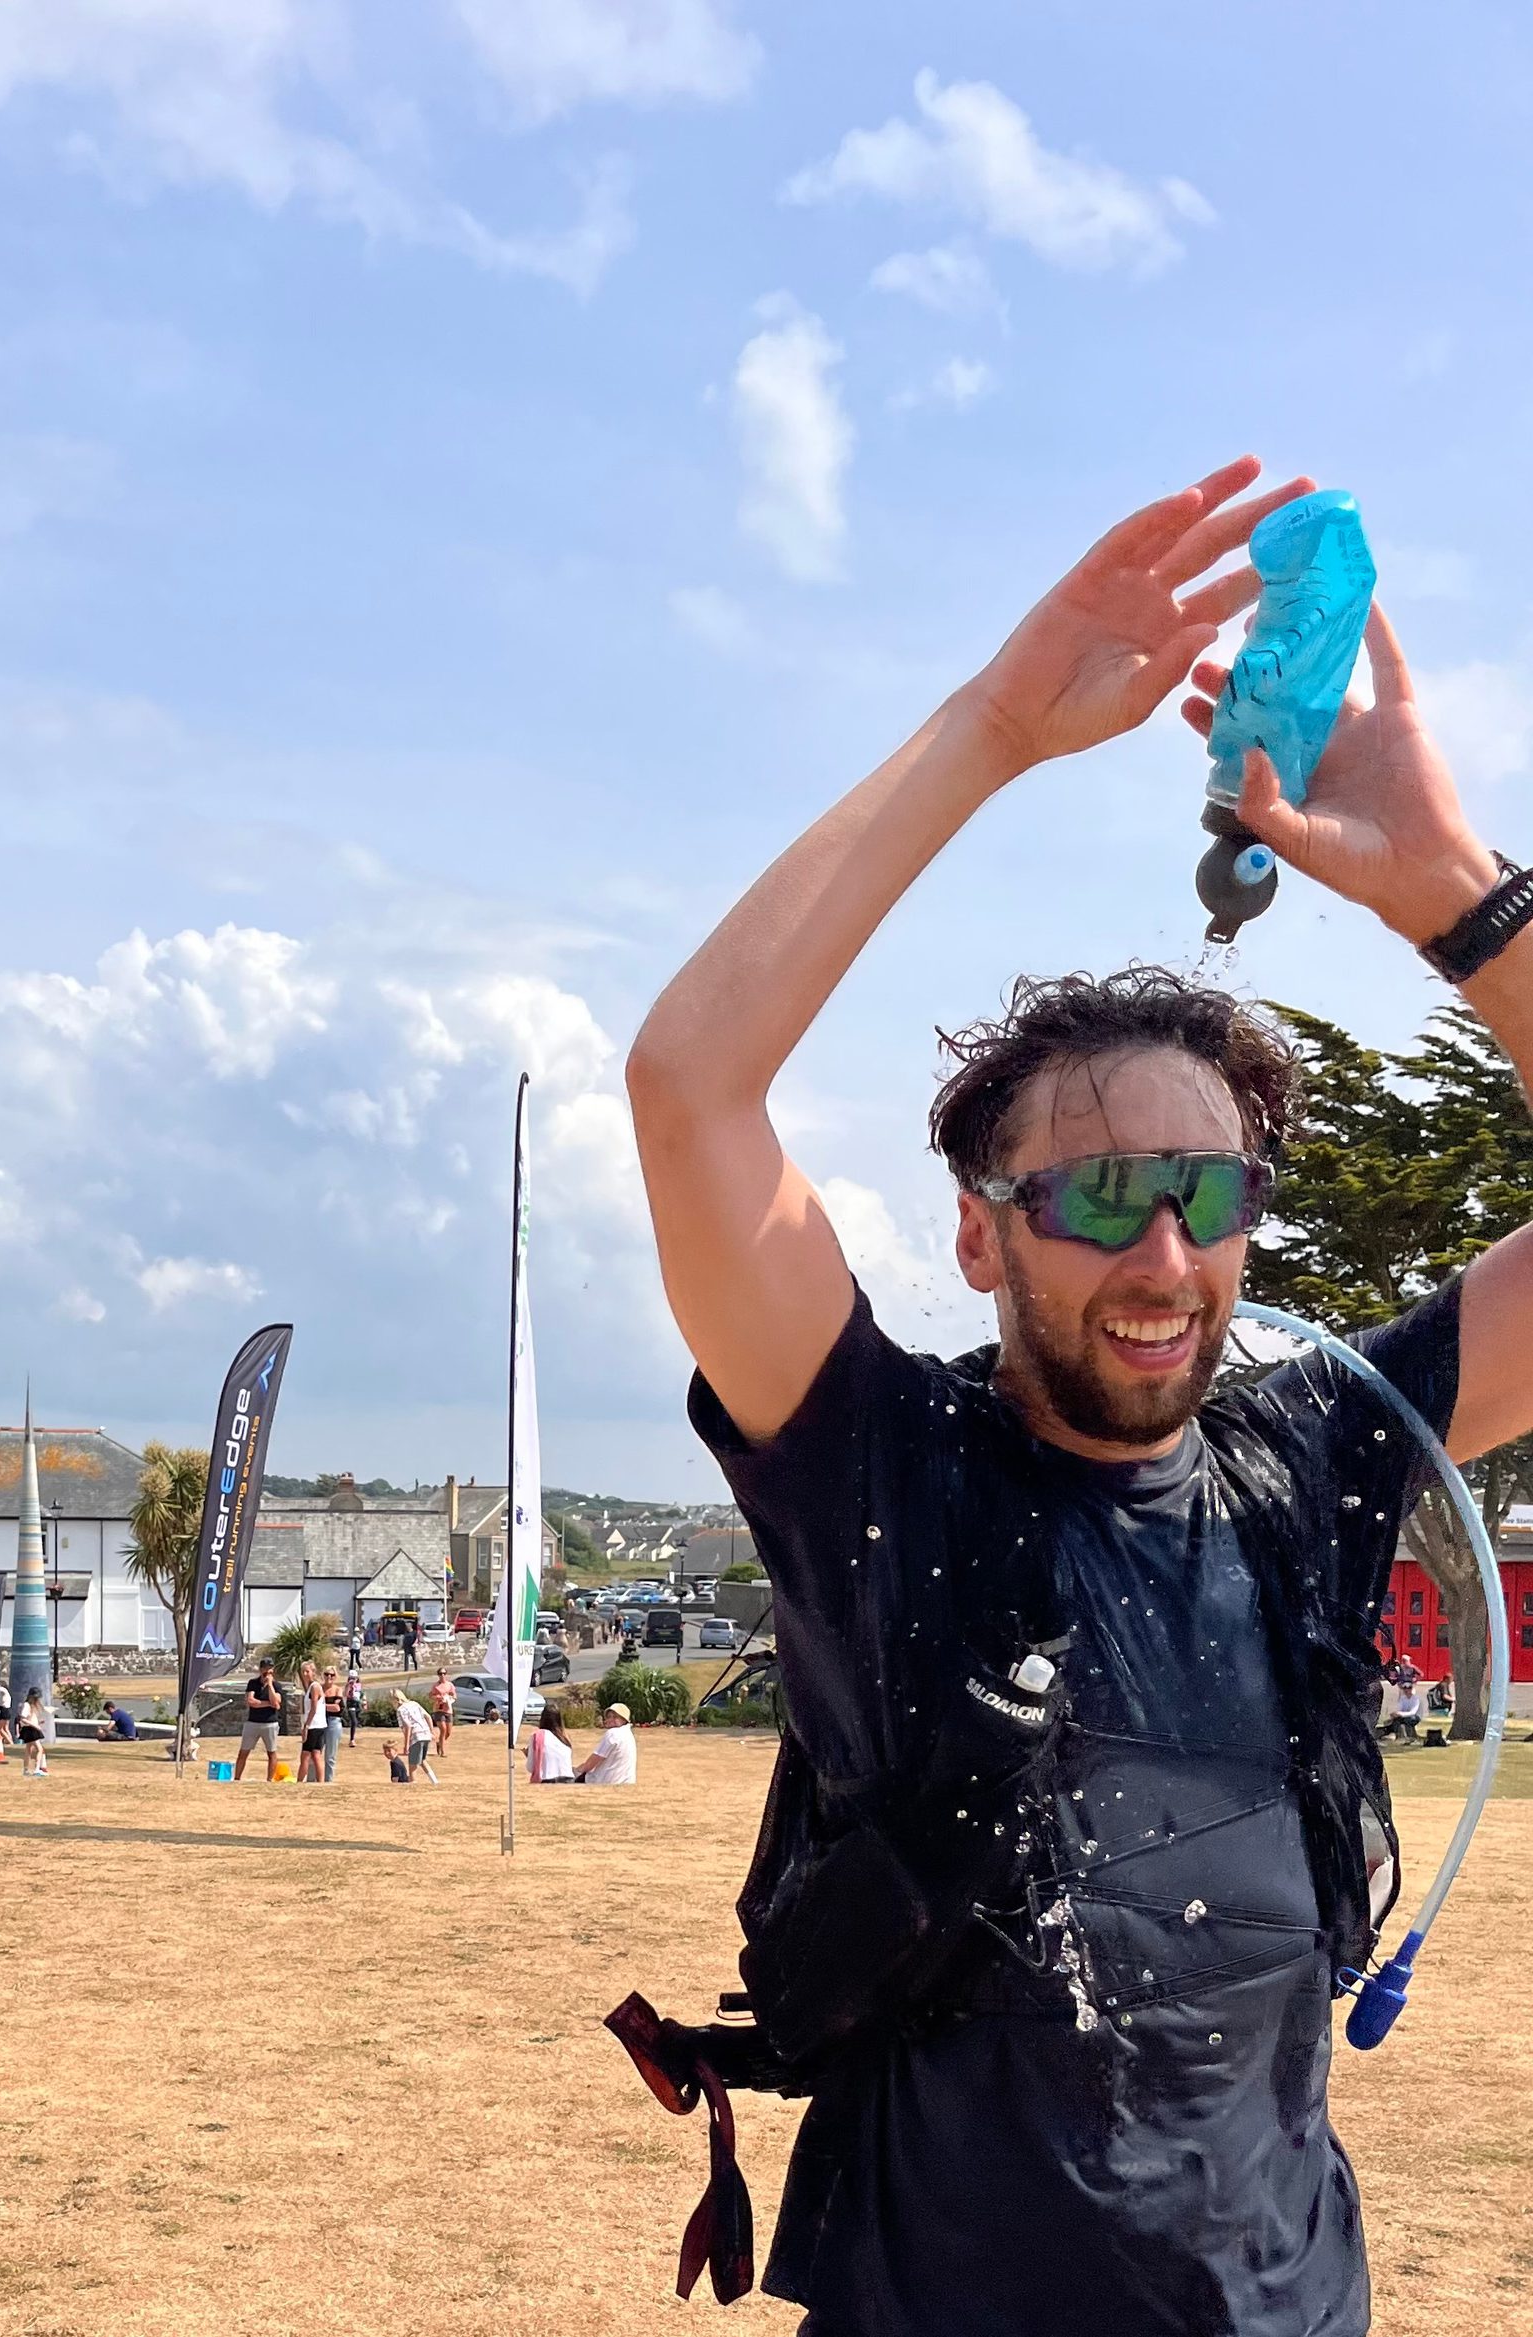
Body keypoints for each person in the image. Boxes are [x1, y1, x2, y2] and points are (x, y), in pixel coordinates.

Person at [622, 454, 1533, 2335]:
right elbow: (692, 1088)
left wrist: (1455, 889)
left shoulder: (1322, 1461)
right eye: (1105, 1192)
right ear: (984, 1236)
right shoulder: (888, 1468)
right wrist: (993, 729)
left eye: (1212, 1193)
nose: (1165, 1253)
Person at [234, 1659, 281, 1781]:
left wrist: (270, 1685)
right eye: (265, 1668)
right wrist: (268, 1703)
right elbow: (250, 1701)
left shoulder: (276, 1686)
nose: (267, 1671)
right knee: (244, 1751)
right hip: (253, 1722)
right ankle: (237, 1778)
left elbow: (276, 1702)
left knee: (271, 1752)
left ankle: (269, 1779)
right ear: (261, 1670)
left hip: (270, 1723)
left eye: (269, 1668)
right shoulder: (253, 1683)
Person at [574, 1702, 636, 1786]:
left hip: (607, 1781)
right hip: (626, 1781)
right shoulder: (628, 1734)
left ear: (624, 1719)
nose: (610, 1719)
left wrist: (580, 1770)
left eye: (615, 1717)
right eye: (609, 1717)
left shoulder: (613, 1733)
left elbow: (595, 1759)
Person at [394, 1691, 438, 1783]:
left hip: (416, 1736)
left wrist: (406, 1745)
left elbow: (408, 1727)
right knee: (422, 1760)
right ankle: (434, 1781)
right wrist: (431, 1732)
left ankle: (413, 1783)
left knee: (412, 1764)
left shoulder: (400, 1710)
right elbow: (428, 1716)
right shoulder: (414, 1704)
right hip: (426, 1735)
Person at [527, 1706, 576, 1783]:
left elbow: (530, 1767)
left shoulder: (537, 1736)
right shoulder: (564, 1738)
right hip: (569, 1779)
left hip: (548, 1780)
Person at [297, 1662, 327, 1783]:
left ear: (313, 1673)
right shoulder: (310, 1686)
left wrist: (306, 1725)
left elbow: (314, 1707)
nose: (305, 1674)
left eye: (307, 1671)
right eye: (303, 1671)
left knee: (305, 1755)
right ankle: (320, 1781)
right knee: (315, 1754)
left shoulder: (315, 1687)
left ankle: (299, 1781)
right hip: (319, 1724)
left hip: (314, 1725)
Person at [17, 1687, 48, 1778]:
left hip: (31, 1728)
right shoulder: (27, 1705)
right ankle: (37, 1769)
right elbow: (23, 1719)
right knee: (39, 1749)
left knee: (28, 1749)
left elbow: (29, 1718)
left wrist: (38, 1723)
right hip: (30, 1729)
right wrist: (35, 1726)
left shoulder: (31, 1707)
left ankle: (26, 1770)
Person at [320, 1668, 345, 1779]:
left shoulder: (337, 1690)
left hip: (333, 1722)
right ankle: (314, 1779)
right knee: (315, 1753)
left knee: (330, 1756)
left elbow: (337, 1708)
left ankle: (328, 1780)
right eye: (327, 1674)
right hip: (319, 1722)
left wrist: (320, 1706)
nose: (329, 1677)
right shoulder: (319, 1688)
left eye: (332, 1675)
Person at [430, 1666, 456, 1755]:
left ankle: (440, 1744)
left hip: (448, 1709)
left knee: (448, 1732)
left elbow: (454, 1695)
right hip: (438, 1709)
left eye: (444, 1673)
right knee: (443, 1729)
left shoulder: (450, 1685)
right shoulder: (435, 1686)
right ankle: (442, 1751)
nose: (442, 1675)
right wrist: (438, 1697)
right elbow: (431, 1696)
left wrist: (450, 1698)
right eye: (440, 1673)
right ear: (438, 1675)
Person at [344, 1664, 364, 1744]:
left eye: (354, 1678)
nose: (353, 1680)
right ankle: (352, 1739)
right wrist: (349, 1687)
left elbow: (361, 1694)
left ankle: (353, 1735)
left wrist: (364, 1701)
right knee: (354, 1721)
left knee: (357, 1719)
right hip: (351, 1703)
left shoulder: (359, 1685)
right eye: (351, 1678)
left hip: (357, 1703)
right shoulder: (348, 1686)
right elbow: (345, 1695)